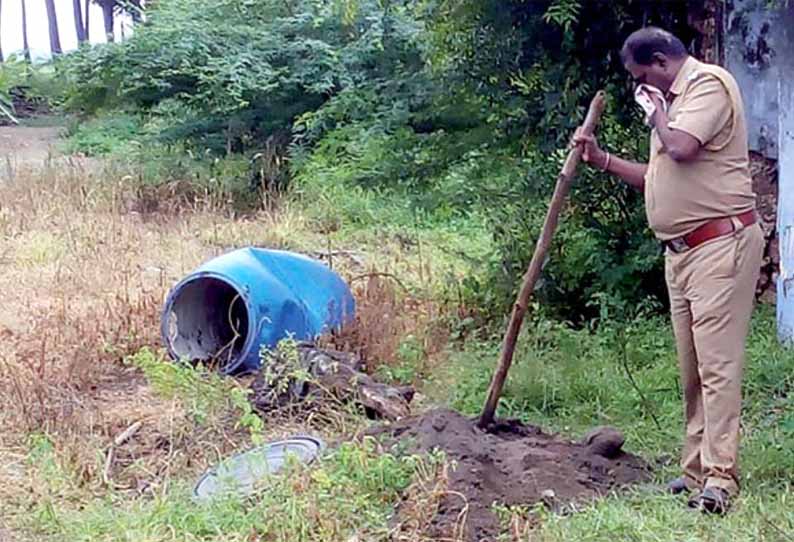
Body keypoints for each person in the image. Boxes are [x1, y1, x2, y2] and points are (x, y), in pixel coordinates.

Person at [573, 27, 764, 514]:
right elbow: (661, 172)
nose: (640, 87)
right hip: (681, 254)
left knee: (717, 367)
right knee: (693, 370)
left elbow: (680, 147)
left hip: (720, 245)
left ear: (660, 62)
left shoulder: (707, 86)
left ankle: (720, 479)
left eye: (641, 77)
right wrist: (604, 160)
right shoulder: (674, 105)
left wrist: (656, 110)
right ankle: (695, 468)